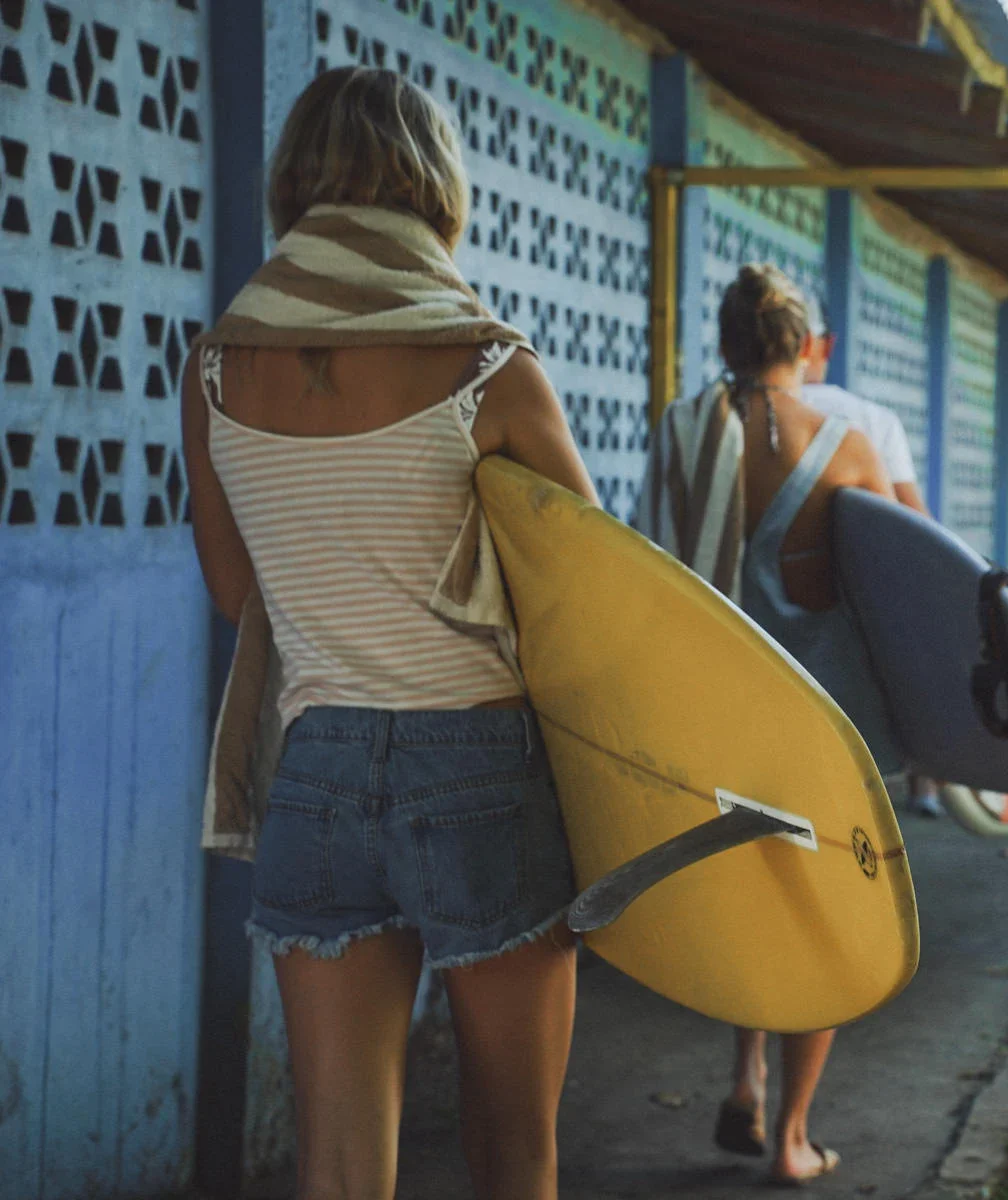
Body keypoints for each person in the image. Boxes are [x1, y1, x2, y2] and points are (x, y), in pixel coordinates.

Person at [183, 67, 592, 1199]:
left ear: (293, 187)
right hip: (479, 767)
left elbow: (235, 592)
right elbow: (592, 597)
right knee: (515, 1153)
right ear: (434, 187)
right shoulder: (490, 365)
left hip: (312, 770)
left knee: (340, 1168)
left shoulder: (214, 367)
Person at [638, 264, 897, 1185]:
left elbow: (649, 558)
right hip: (816, 719)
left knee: (749, 895)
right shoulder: (850, 444)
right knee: (816, 917)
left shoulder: (680, 431)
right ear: (805, 346)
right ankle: (792, 1136)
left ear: (726, 342)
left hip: (714, 709)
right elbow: (914, 575)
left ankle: (744, 1079)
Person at [796, 301, 946, 817]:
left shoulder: (737, 416)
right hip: (859, 610)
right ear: (822, 345)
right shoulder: (872, 423)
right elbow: (915, 525)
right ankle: (925, 786)